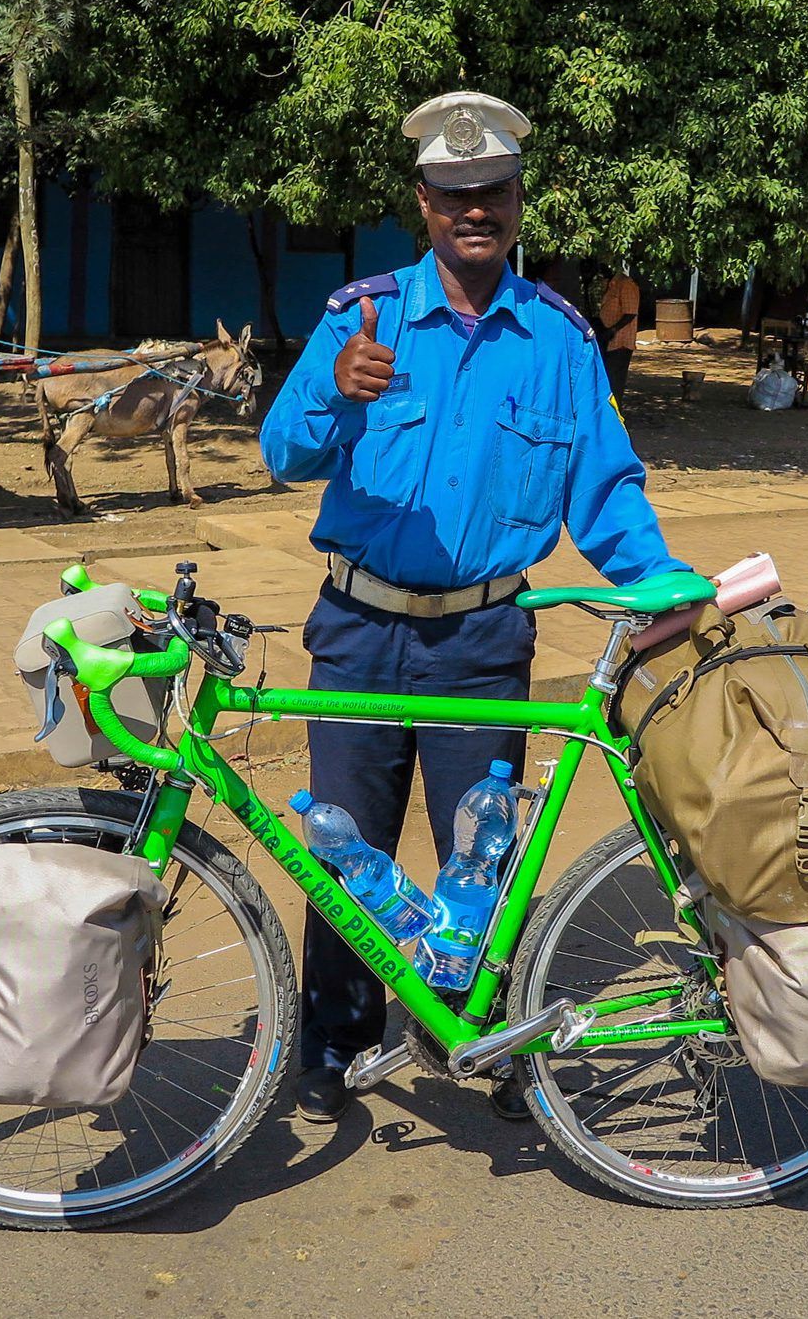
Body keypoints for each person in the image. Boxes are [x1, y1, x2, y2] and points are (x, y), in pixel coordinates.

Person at [260, 91, 689, 1124]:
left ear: (515, 198)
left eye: (489, 191)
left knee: (476, 853)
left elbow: (604, 488)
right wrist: (333, 393)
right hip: (357, 630)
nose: (472, 211)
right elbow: (282, 453)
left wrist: (663, 583)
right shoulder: (357, 319)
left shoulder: (557, 340)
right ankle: (333, 1044)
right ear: (422, 202)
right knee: (344, 848)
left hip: (482, 637)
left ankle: (475, 1034)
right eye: (452, 194)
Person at [595, 264, 640, 401]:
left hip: (620, 342)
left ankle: (615, 416)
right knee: (606, 379)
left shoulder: (626, 285)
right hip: (607, 339)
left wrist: (613, 330)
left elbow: (630, 313)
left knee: (615, 383)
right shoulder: (611, 284)